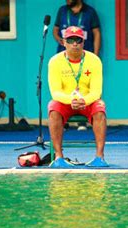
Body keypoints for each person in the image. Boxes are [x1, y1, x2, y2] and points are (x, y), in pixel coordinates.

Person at [47, 26, 108, 168]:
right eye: (71, 40)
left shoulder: (94, 60)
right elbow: (55, 92)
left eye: (78, 40)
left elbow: (96, 91)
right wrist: (71, 100)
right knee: (53, 107)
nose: (75, 44)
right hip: (65, 102)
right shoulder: (55, 61)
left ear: (83, 43)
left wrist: (83, 101)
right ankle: (58, 157)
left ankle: (100, 157)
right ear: (63, 42)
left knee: (100, 107)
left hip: (87, 101)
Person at [53, 0, 101, 131]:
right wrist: (64, 42)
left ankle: (83, 122)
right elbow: (55, 30)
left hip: (84, 58)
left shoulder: (90, 12)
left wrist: (95, 55)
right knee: (63, 87)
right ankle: (63, 120)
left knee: (86, 87)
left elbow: (96, 33)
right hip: (65, 59)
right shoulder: (62, 10)